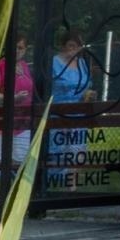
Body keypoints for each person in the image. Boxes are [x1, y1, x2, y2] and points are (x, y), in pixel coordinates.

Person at [0, 33, 34, 207]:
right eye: (15, 47)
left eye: (21, 48)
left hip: (22, 121)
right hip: (1, 122)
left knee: (21, 158)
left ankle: (17, 196)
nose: (18, 51)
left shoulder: (25, 67)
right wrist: (11, 98)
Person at [48, 30, 94, 189]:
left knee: (76, 150)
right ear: (63, 45)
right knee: (58, 150)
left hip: (78, 112)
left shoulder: (81, 63)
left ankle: (71, 186)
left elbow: (88, 83)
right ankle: (52, 185)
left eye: (78, 46)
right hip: (59, 112)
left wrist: (88, 94)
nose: (74, 49)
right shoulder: (54, 62)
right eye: (71, 45)